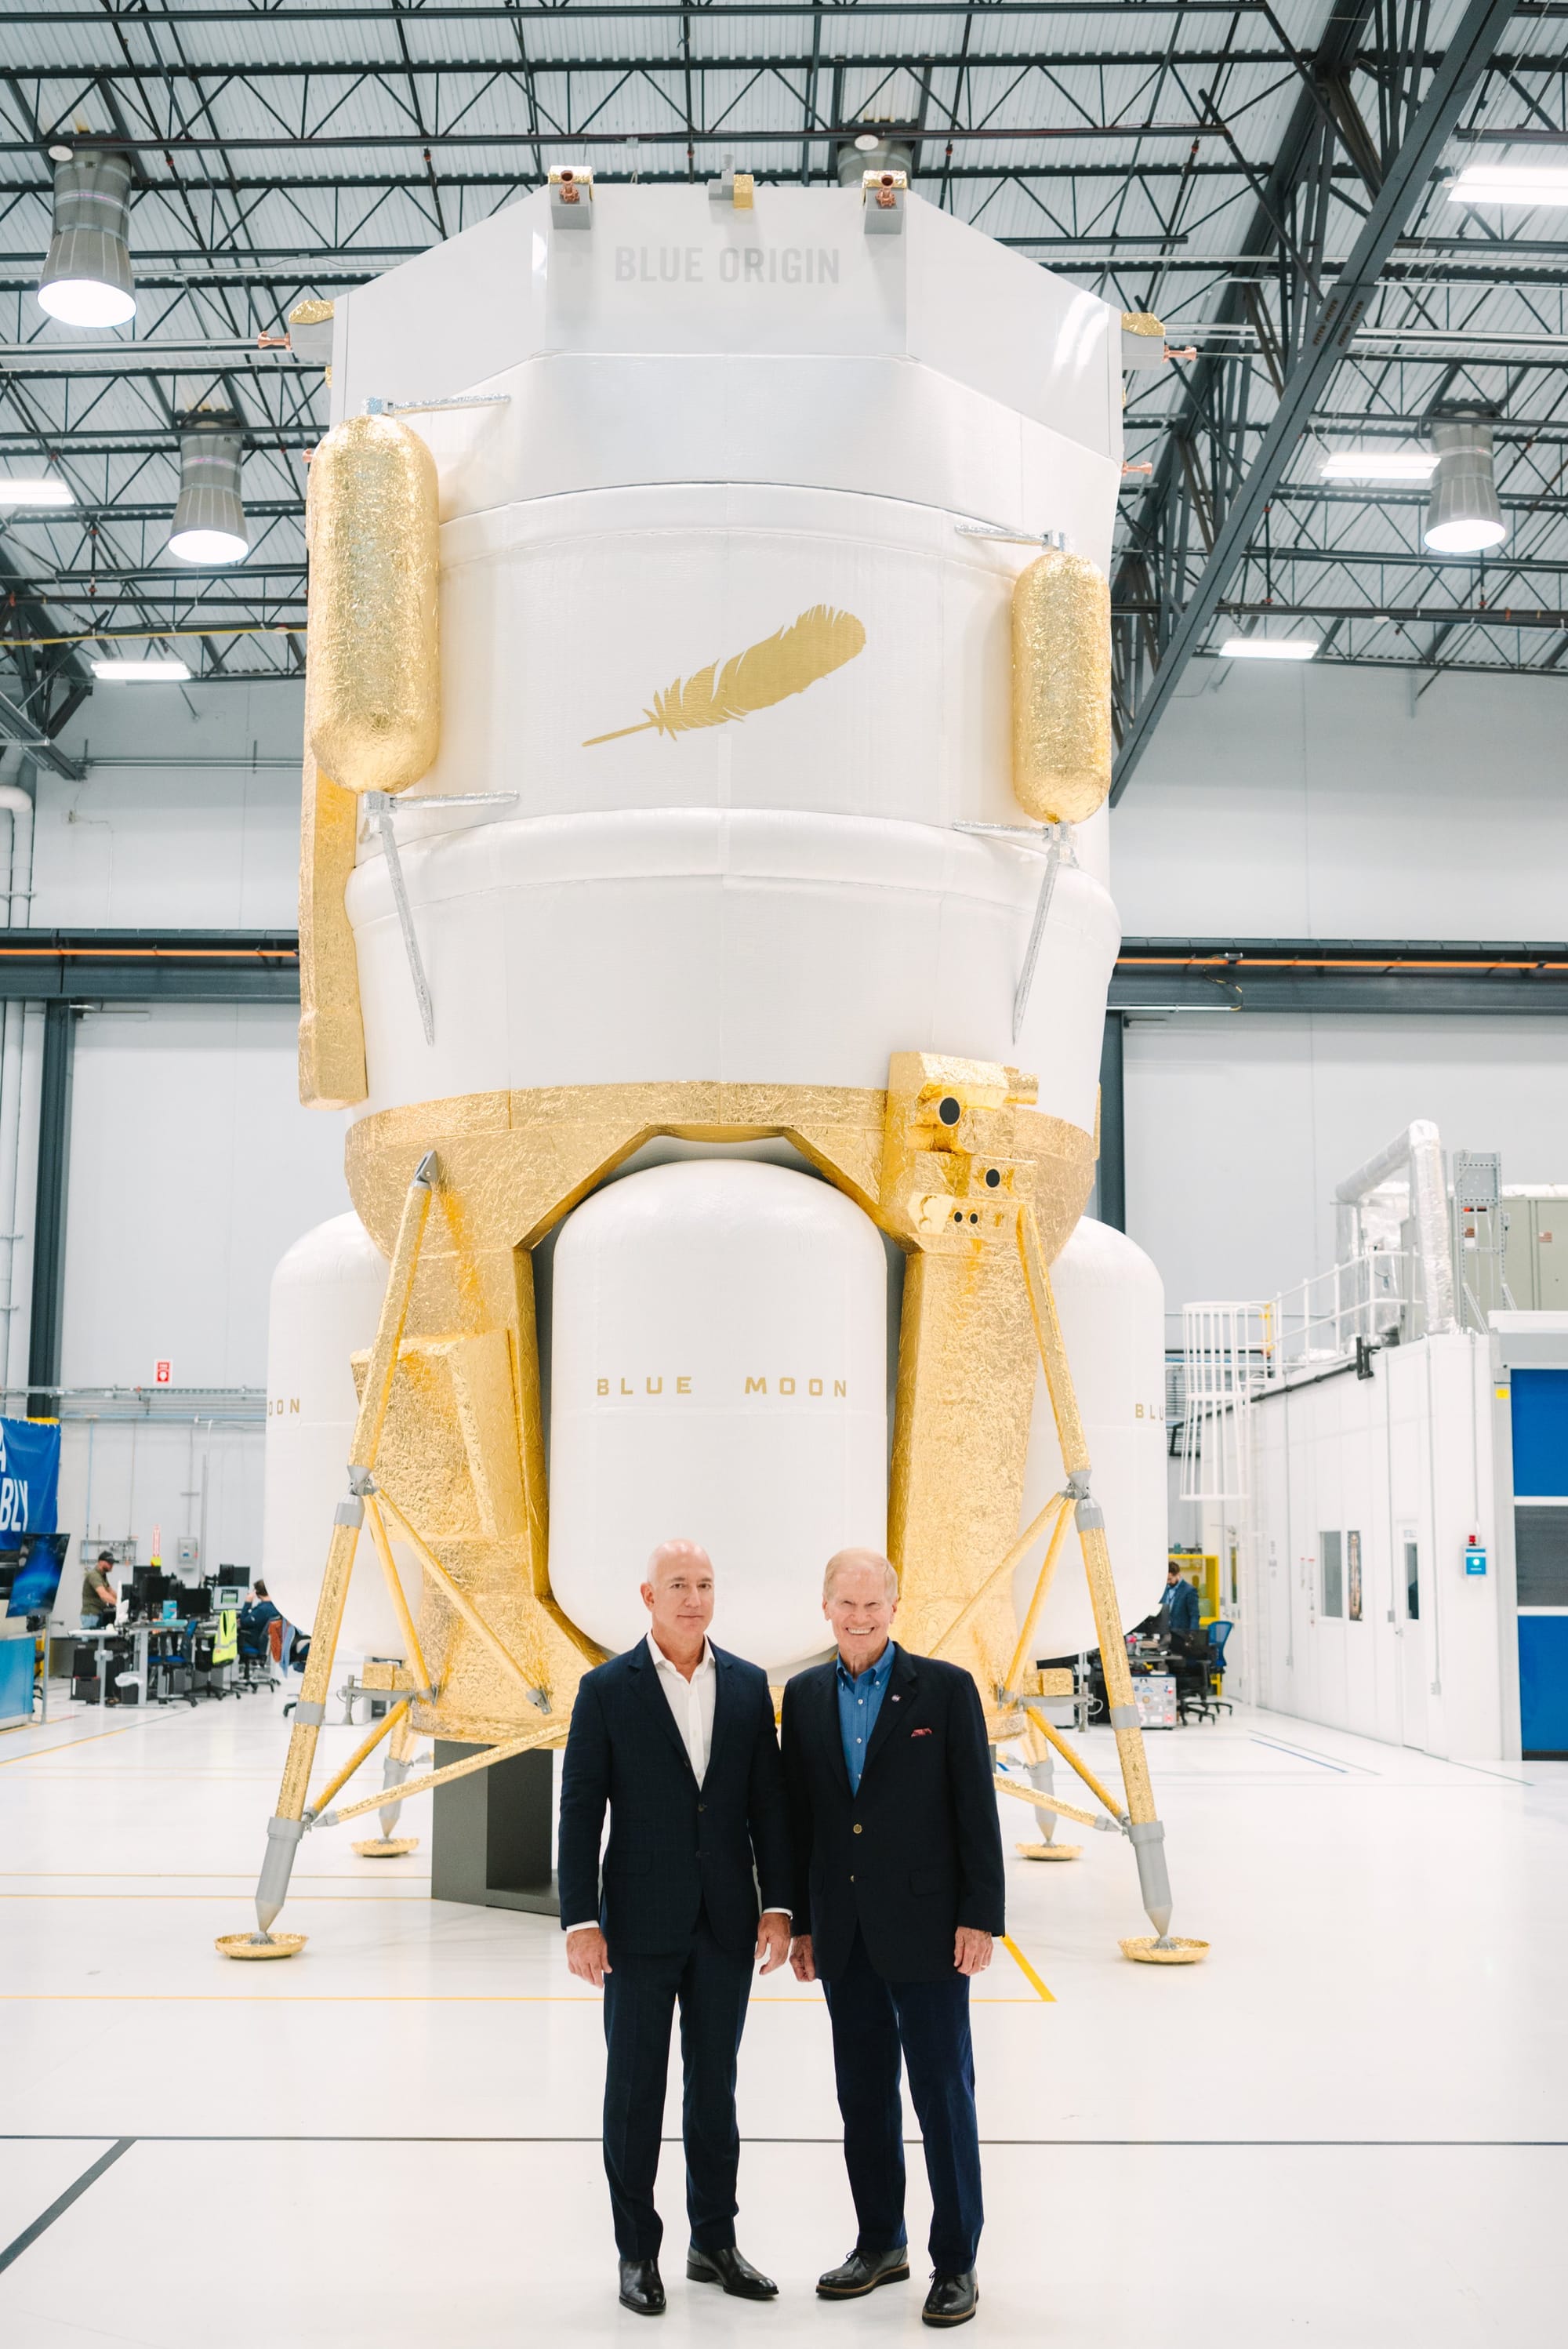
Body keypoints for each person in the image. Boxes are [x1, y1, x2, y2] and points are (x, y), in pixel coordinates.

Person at [557, 1538, 793, 2318]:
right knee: (634, 2092)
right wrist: (580, 1920)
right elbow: (580, 1810)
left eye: (704, 1584)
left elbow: (768, 1806)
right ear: (648, 1596)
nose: (693, 1598)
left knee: (714, 2089)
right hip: (635, 1928)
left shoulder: (748, 1684)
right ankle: (637, 2251)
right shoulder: (605, 1690)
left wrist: (778, 1904)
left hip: (725, 1923)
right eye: (678, 1584)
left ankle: (713, 2241)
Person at [782, 1548, 1004, 2330]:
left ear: (895, 1607)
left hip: (930, 1932)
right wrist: (803, 1923)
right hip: (844, 1934)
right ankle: (880, 2242)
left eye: (873, 1604)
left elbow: (975, 1805)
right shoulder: (802, 1696)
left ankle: (956, 2261)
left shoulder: (944, 1689)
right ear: (825, 1607)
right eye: (846, 1603)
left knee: (942, 2095)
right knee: (863, 2097)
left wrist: (980, 1914)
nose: (860, 1617)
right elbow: (802, 1819)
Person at [1159, 1563, 1200, 1639]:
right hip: (1164, 1633)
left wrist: (1193, 1634)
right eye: (1166, 1579)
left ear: (1178, 1575)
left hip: (1181, 1634)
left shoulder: (1189, 1591)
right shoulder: (1164, 1589)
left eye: (1170, 1579)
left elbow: (1194, 1615)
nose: (1168, 1582)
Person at [80, 1551, 116, 1628]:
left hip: (98, 1614)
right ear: (100, 1562)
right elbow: (103, 1595)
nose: (111, 1565)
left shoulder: (102, 1575)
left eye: (112, 1563)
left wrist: (122, 1600)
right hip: (91, 1615)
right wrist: (118, 1604)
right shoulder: (94, 1575)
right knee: (92, 1636)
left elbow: (110, 1591)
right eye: (109, 1563)